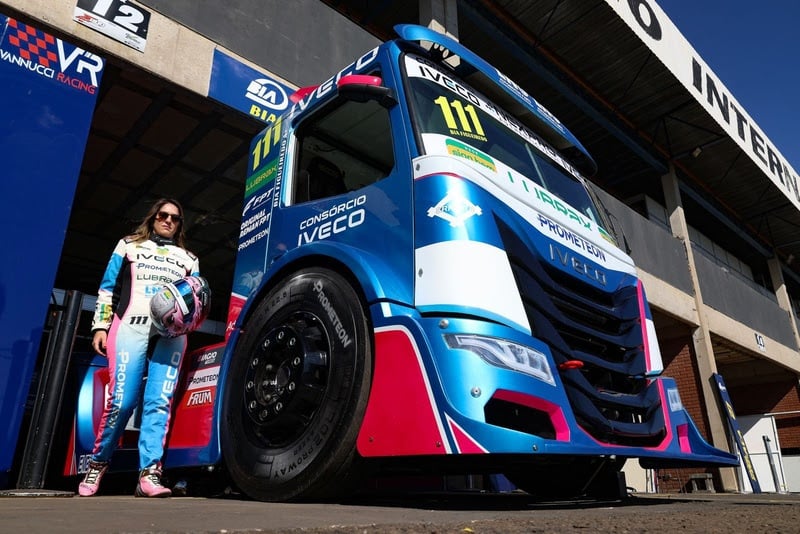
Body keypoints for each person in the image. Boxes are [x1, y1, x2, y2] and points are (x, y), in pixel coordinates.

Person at [79, 198, 200, 498]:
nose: (169, 221)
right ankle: (98, 463)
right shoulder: (129, 245)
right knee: (122, 401)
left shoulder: (189, 258)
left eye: (175, 218)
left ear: (180, 224)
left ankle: (150, 474)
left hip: (171, 334)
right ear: (153, 217)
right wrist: (100, 325)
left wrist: (190, 324)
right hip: (130, 324)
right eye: (163, 215)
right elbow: (108, 287)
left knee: (159, 402)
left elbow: (196, 299)